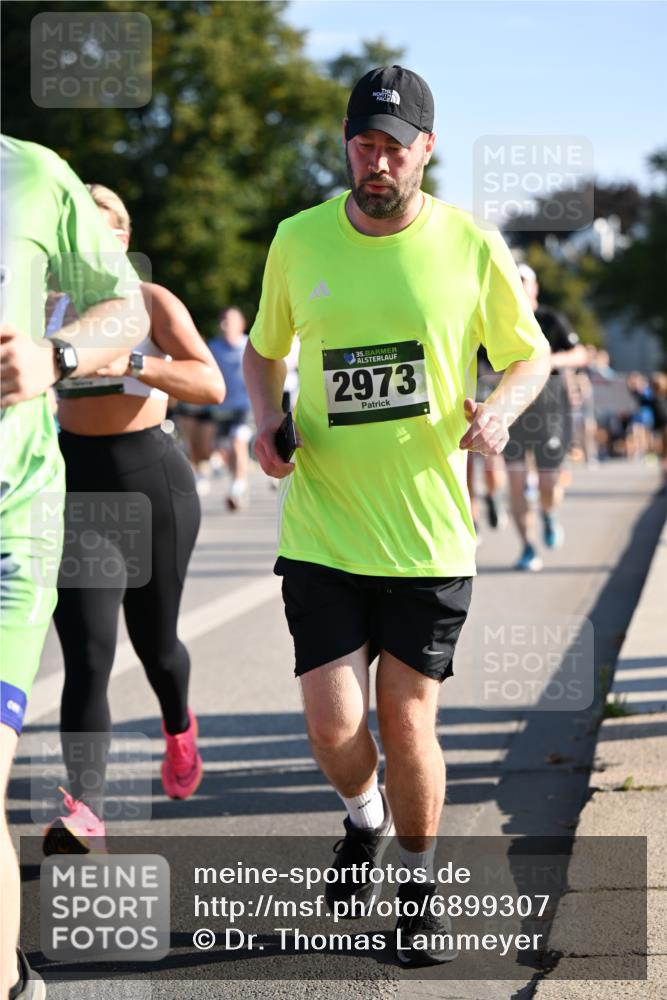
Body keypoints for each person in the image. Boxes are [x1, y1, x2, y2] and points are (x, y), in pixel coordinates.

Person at [243, 66, 551, 967]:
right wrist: (267, 422)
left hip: (426, 534)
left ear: (425, 149)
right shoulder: (297, 240)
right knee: (333, 728)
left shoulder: (469, 243)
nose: (375, 162)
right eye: (361, 143)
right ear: (346, 144)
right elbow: (264, 354)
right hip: (324, 527)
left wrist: (497, 411)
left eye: (392, 146)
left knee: (407, 723)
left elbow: (526, 357)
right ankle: (364, 819)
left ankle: (416, 887)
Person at [1, 136, 149, 1000]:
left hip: (18, 514)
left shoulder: (31, 173)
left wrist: (53, 356)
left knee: (128, 648)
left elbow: (124, 312)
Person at [40, 184, 225, 855]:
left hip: (153, 485)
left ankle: (178, 725)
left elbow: (212, 384)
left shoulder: (149, 303)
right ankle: (86, 809)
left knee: (158, 647)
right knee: (87, 654)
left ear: (120, 239)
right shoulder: (47, 311)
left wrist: (139, 362)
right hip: (75, 489)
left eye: (103, 225)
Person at [505, 263, 588, 571]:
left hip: (551, 410)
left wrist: (544, 360)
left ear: (535, 287)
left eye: (524, 281)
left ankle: (549, 513)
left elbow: (580, 355)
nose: (520, 286)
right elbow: (483, 363)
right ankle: (527, 546)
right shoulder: (500, 320)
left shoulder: (551, 319)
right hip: (512, 410)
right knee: (514, 483)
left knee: (548, 483)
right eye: (515, 281)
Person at [208, 307, 253, 510]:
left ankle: (237, 486)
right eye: (223, 320)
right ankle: (236, 481)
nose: (226, 324)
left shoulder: (249, 346)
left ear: (241, 325)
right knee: (223, 451)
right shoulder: (213, 348)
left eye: (231, 320)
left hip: (245, 407)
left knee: (238, 442)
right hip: (221, 407)